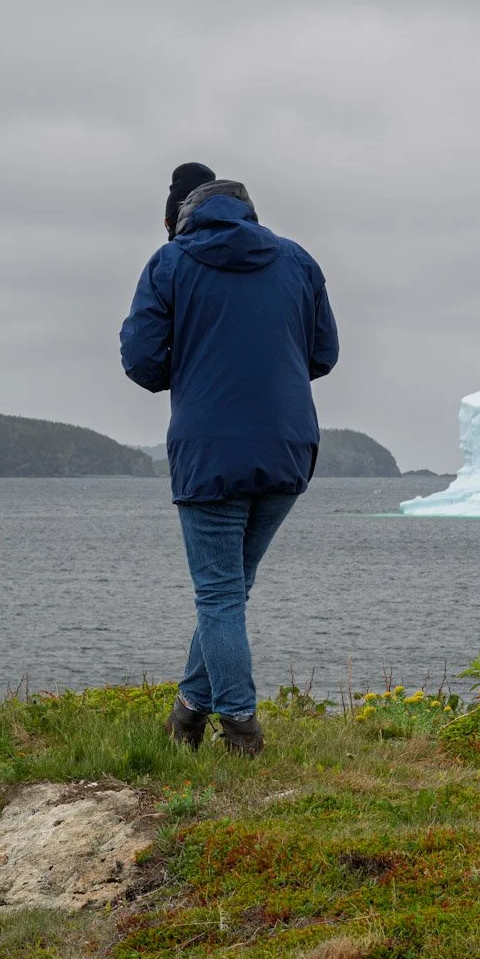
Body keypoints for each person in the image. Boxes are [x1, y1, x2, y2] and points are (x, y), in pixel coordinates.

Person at [120, 162, 339, 756]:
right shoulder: (298, 261)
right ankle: (188, 715)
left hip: (211, 450)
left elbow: (141, 362)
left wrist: (197, 362)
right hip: (288, 448)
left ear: (177, 217)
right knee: (230, 592)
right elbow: (323, 354)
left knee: (219, 595)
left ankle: (242, 731)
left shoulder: (170, 263)